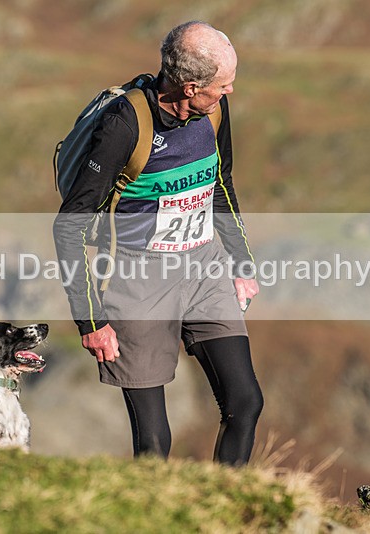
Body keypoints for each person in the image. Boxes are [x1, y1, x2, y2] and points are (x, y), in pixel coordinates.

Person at [53, 21, 263, 466]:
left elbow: (220, 185)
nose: (229, 92)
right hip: (137, 278)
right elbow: (69, 226)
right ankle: (153, 504)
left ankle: (224, 501)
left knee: (245, 402)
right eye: (223, 85)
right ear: (191, 87)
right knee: (154, 441)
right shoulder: (124, 124)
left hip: (205, 268)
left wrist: (241, 264)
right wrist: (90, 320)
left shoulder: (214, 111)